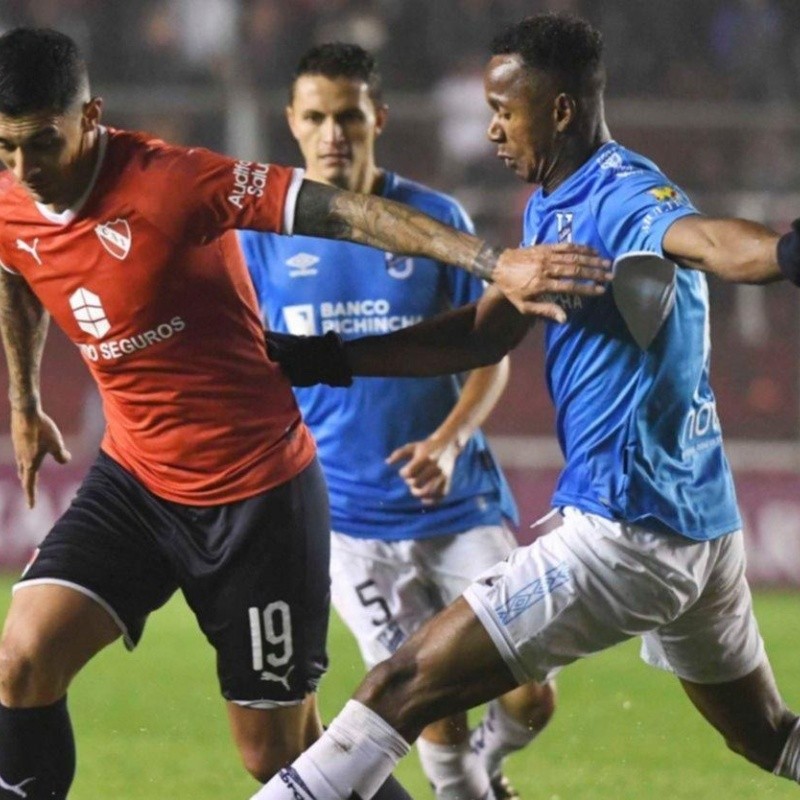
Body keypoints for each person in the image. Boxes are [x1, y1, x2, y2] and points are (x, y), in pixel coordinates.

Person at [0, 26, 610, 800]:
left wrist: (495, 263)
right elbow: (17, 266)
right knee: (21, 661)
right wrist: (24, 401)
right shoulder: (12, 195)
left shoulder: (173, 182)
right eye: (6, 150)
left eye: (41, 144)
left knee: (275, 755)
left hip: (257, 500)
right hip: (136, 483)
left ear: (90, 117)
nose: (25, 170)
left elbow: (345, 214)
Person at [252, 12, 800, 799]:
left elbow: (710, 242)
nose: (493, 130)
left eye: (505, 110)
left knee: (400, 687)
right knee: (766, 735)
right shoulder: (554, 199)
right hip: (701, 528)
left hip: (626, 529)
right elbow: (480, 336)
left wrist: (783, 252)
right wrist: (333, 358)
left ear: (562, 110)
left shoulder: (620, 194)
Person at [239, 42, 555, 800]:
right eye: (315, 116)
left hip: (457, 505)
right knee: (433, 706)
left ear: (376, 116)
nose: (332, 132)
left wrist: (448, 443)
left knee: (529, 697)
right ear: (292, 122)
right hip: (349, 524)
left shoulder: (432, 221)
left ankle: (489, 767)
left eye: (348, 115)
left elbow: (490, 352)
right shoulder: (261, 241)